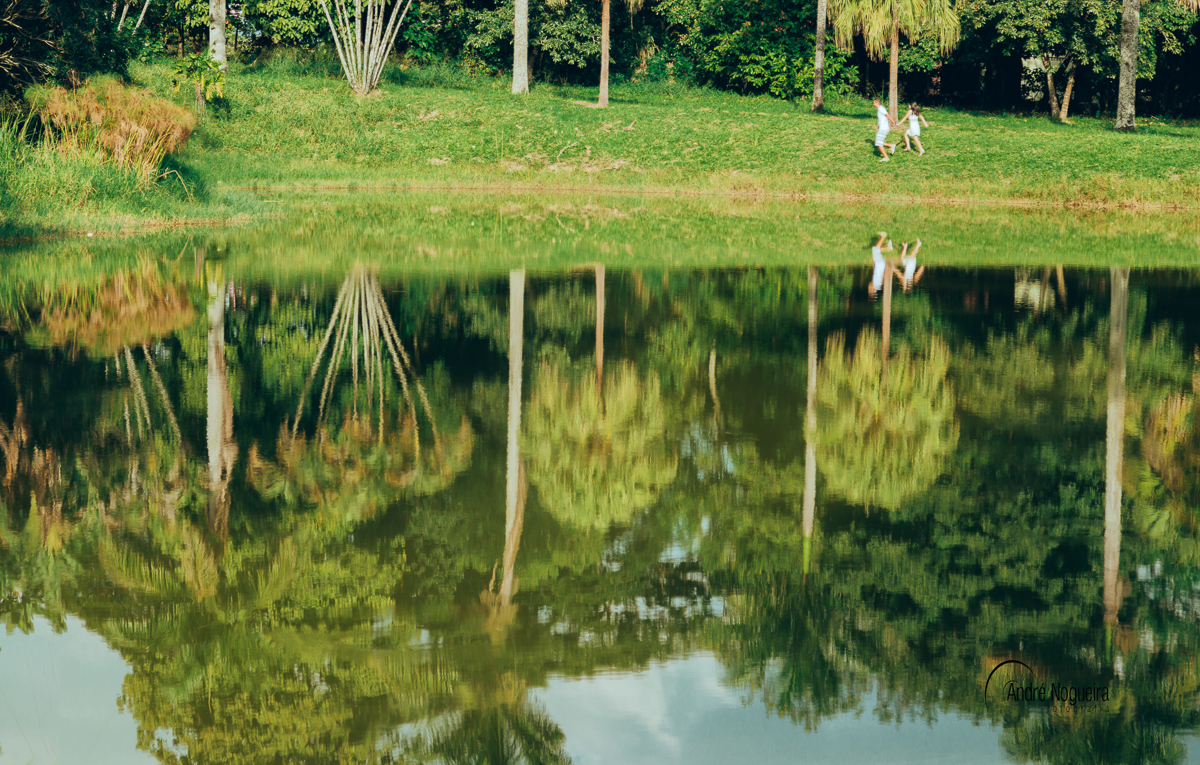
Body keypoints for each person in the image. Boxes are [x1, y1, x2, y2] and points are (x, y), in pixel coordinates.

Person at [868, 231, 894, 297]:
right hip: (879, 263)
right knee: (875, 249)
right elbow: (881, 277)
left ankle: (888, 247)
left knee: (877, 249)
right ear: (872, 289)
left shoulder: (877, 285)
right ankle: (884, 236)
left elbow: (879, 275)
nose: (868, 286)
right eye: (869, 288)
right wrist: (886, 273)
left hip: (880, 264)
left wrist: (874, 266)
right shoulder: (875, 284)